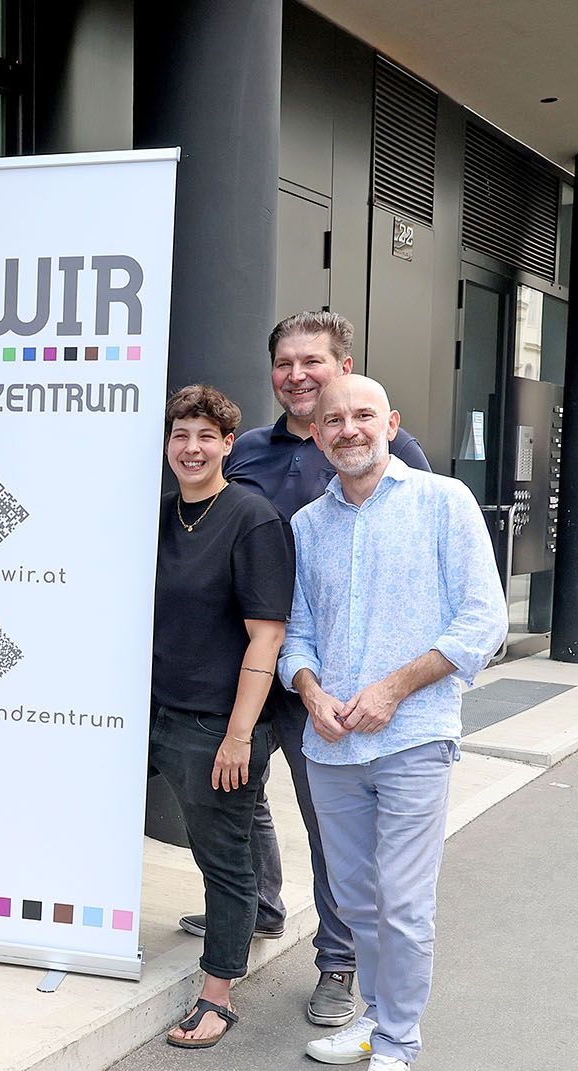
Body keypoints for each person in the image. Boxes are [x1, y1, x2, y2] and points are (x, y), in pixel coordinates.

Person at [185, 310, 435, 1031]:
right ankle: (262, 902)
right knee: (239, 789)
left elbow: (407, 551)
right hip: (248, 663)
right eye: (285, 362)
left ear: (344, 365)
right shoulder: (249, 451)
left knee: (331, 828)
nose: (297, 375)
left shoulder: (384, 445)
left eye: (313, 362)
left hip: (330, 681)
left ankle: (337, 960)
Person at [281, 375, 505, 1071]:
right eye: (333, 419)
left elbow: (482, 622)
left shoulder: (443, 504)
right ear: (315, 434)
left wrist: (393, 688)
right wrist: (311, 691)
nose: (348, 429)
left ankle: (399, 1049)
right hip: (331, 745)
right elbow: (298, 633)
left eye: (362, 416)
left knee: (404, 903)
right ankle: (377, 1020)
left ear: (391, 423)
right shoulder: (308, 525)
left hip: (412, 737)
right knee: (355, 900)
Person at [151, 386, 296, 1048]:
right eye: (182, 434)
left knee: (224, 860)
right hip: (154, 712)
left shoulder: (251, 518)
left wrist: (241, 735)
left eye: (206, 436)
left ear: (228, 445)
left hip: (217, 722)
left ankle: (217, 994)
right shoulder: (160, 517)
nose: (192, 447)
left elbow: (266, 637)